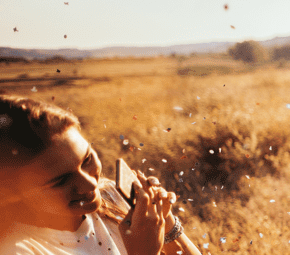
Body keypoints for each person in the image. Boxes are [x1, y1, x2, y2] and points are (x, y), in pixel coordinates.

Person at [0, 95, 202, 255]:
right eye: (60, 180)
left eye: (87, 159)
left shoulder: (112, 197)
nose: (90, 185)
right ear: (10, 191)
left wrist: (164, 222)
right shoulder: (18, 250)